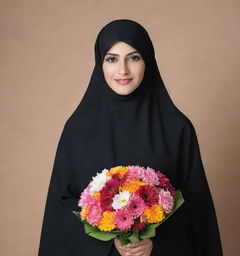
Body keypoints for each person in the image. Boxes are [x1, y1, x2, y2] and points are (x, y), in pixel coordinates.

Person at [38, 19, 223, 256]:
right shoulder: (77, 129)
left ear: (148, 60)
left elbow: (197, 210)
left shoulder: (177, 128)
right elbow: (61, 207)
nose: (123, 70)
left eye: (134, 58)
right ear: (99, 63)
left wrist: (155, 243)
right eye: (112, 59)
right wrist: (109, 242)